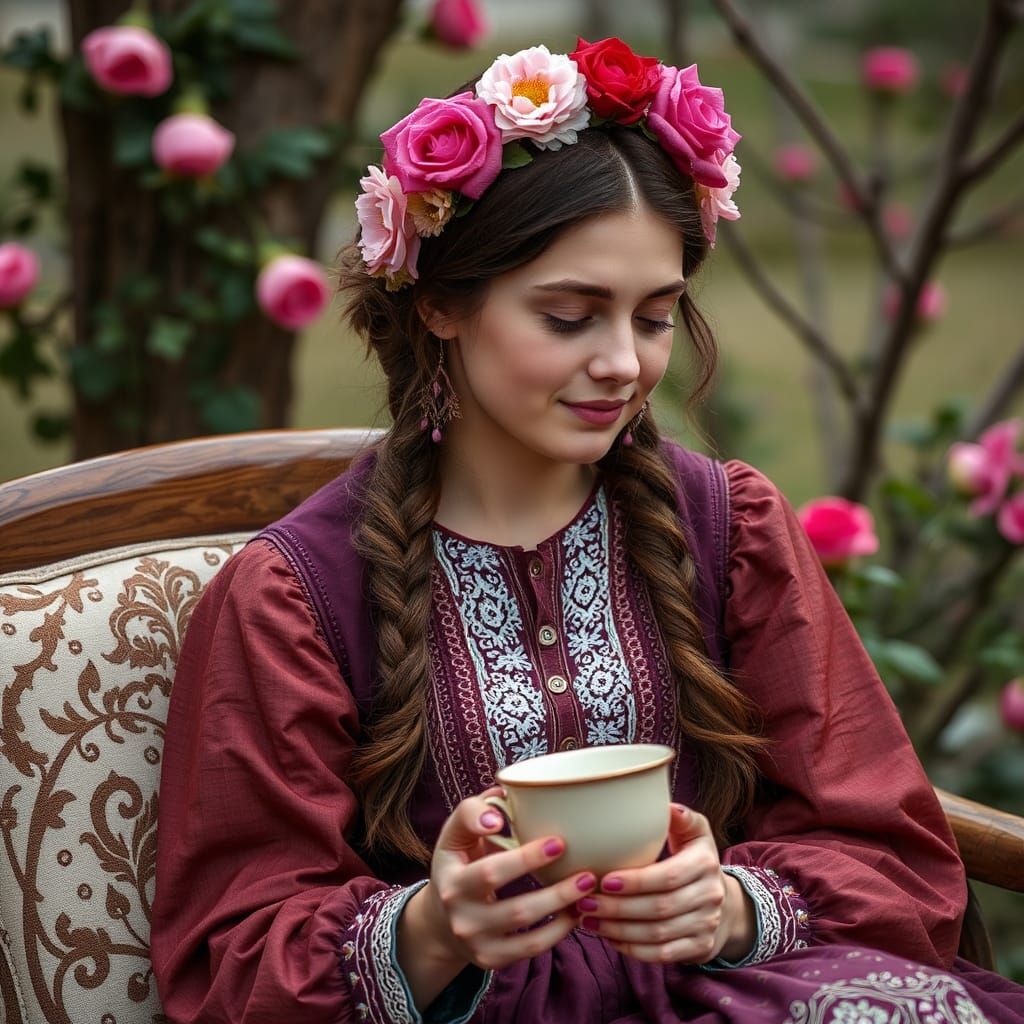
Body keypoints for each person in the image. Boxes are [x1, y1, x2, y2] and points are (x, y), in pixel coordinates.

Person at [150, 38, 1024, 1024]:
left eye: (654, 318)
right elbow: (233, 952)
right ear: (439, 303)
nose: (622, 362)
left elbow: (885, 843)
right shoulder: (295, 597)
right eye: (570, 315)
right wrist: (435, 928)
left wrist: (732, 904)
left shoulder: (729, 528)